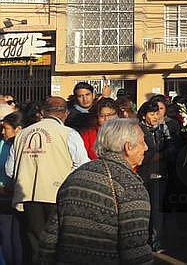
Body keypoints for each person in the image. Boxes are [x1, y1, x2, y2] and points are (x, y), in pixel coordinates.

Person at [40, 118, 152, 264]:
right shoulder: (130, 186)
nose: (146, 147)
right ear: (128, 147)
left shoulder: (76, 176)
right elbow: (135, 249)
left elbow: (50, 236)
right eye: (142, 142)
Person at [5, 97, 90, 264]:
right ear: (65, 113)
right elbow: (82, 165)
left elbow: (9, 170)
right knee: (59, 244)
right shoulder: (69, 134)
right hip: (58, 196)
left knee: (35, 245)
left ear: (42, 113)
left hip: (28, 198)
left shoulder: (22, 134)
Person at [137, 101, 177, 253]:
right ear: (144, 114)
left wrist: (161, 155)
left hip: (160, 173)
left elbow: (172, 146)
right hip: (142, 173)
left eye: (157, 113)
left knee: (157, 209)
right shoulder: (138, 129)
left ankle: (156, 241)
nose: (155, 117)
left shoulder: (163, 127)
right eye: (151, 114)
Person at [0, 112, 23, 265]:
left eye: (6, 128)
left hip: (20, 196)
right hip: (3, 197)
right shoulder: (3, 143)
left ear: (18, 129)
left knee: (18, 238)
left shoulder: (24, 146)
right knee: (6, 236)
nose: (3, 132)